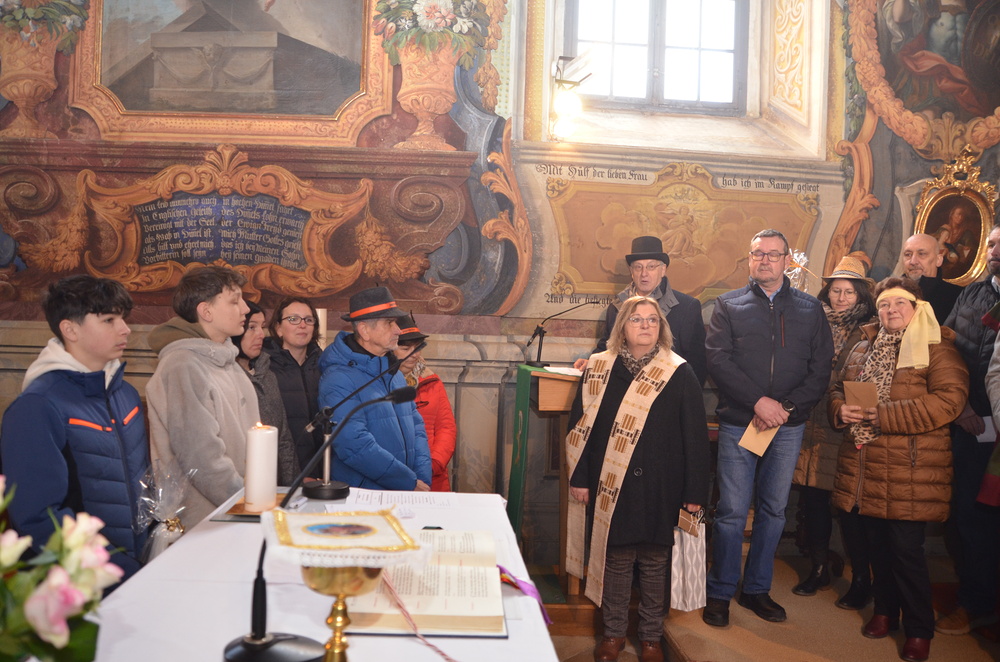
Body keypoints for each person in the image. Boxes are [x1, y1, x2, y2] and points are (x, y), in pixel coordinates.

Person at [830, 276, 968, 662]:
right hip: (866, 463)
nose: (891, 310)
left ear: (917, 308)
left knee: (906, 552)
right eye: (884, 305)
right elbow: (837, 388)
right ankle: (886, 611)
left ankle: (920, 628)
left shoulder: (937, 347)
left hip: (911, 467)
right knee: (876, 547)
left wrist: (885, 415)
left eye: (899, 304)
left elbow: (950, 400)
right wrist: (840, 409)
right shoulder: (863, 345)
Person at [702, 229, 833, 628]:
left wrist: (786, 408)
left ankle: (757, 589)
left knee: (774, 510)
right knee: (731, 511)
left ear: (787, 261)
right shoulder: (728, 305)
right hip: (740, 422)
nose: (765, 260)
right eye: (758, 254)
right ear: (750, 258)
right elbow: (718, 360)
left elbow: (820, 368)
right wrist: (758, 402)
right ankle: (721, 590)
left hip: (787, 426)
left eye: (774, 255)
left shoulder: (810, 309)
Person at [566, 296, 709, 662]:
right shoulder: (599, 368)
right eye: (636, 319)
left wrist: (695, 491)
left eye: (652, 320)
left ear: (661, 327)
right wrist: (580, 478)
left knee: (654, 563)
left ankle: (651, 638)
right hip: (613, 484)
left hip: (663, 485)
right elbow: (581, 428)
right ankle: (612, 634)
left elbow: (695, 436)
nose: (645, 325)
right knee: (615, 561)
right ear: (622, 327)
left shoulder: (679, 371)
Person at [0, 275, 149, 580]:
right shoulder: (38, 406)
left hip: (137, 565)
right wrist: (121, 572)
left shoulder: (125, 393)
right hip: (80, 581)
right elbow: (40, 518)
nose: (125, 329)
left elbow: (142, 482)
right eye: (109, 320)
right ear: (70, 329)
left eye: (123, 318)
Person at [791, 252, 878, 605]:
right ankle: (818, 567)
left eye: (849, 292)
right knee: (813, 498)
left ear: (861, 295)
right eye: (836, 291)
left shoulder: (871, 328)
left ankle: (861, 577)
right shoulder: (812, 319)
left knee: (847, 504)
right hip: (812, 420)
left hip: (845, 422)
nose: (841, 298)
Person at [146, 266, 258, 530]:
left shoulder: (226, 360)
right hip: (206, 520)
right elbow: (202, 457)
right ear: (206, 311)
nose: (245, 309)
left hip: (235, 512)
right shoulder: (183, 364)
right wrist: (247, 503)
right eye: (234, 301)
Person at [938, 224, 1000, 636]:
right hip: (976, 425)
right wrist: (958, 405)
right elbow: (946, 347)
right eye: (991, 243)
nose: (993, 250)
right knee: (971, 517)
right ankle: (975, 602)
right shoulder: (972, 294)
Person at [317, 286, 431, 491]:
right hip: (365, 495)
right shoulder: (338, 378)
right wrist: (408, 482)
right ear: (364, 330)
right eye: (389, 323)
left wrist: (421, 479)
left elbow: (417, 427)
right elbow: (353, 445)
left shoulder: (393, 373)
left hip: (405, 490)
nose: (398, 330)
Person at [574, 235, 706, 386]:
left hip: (668, 393)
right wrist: (591, 362)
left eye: (651, 267)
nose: (644, 273)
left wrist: (687, 395)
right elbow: (608, 347)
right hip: (621, 391)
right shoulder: (617, 306)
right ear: (631, 271)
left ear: (663, 270)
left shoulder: (686, 307)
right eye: (638, 267)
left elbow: (698, 363)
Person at [232, 300, 301, 486]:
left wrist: (291, 488)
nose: (261, 335)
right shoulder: (228, 377)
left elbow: (284, 437)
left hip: (274, 484)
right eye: (252, 327)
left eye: (262, 327)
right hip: (240, 485)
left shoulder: (267, 374)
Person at [394, 314, 456, 492]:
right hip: (394, 477)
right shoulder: (379, 384)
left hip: (432, 477)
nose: (414, 355)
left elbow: (446, 428)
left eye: (418, 348)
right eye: (406, 348)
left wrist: (433, 464)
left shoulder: (431, 381)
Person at [264, 296, 324, 473]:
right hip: (281, 470)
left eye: (308, 320)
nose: (302, 325)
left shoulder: (325, 366)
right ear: (278, 328)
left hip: (323, 467)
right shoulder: (265, 369)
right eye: (293, 319)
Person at [901, 233, 963, 323]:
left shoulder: (958, 296)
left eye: (921, 254)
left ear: (938, 260)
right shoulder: (888, 291)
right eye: (908, 255)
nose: (913, 261)